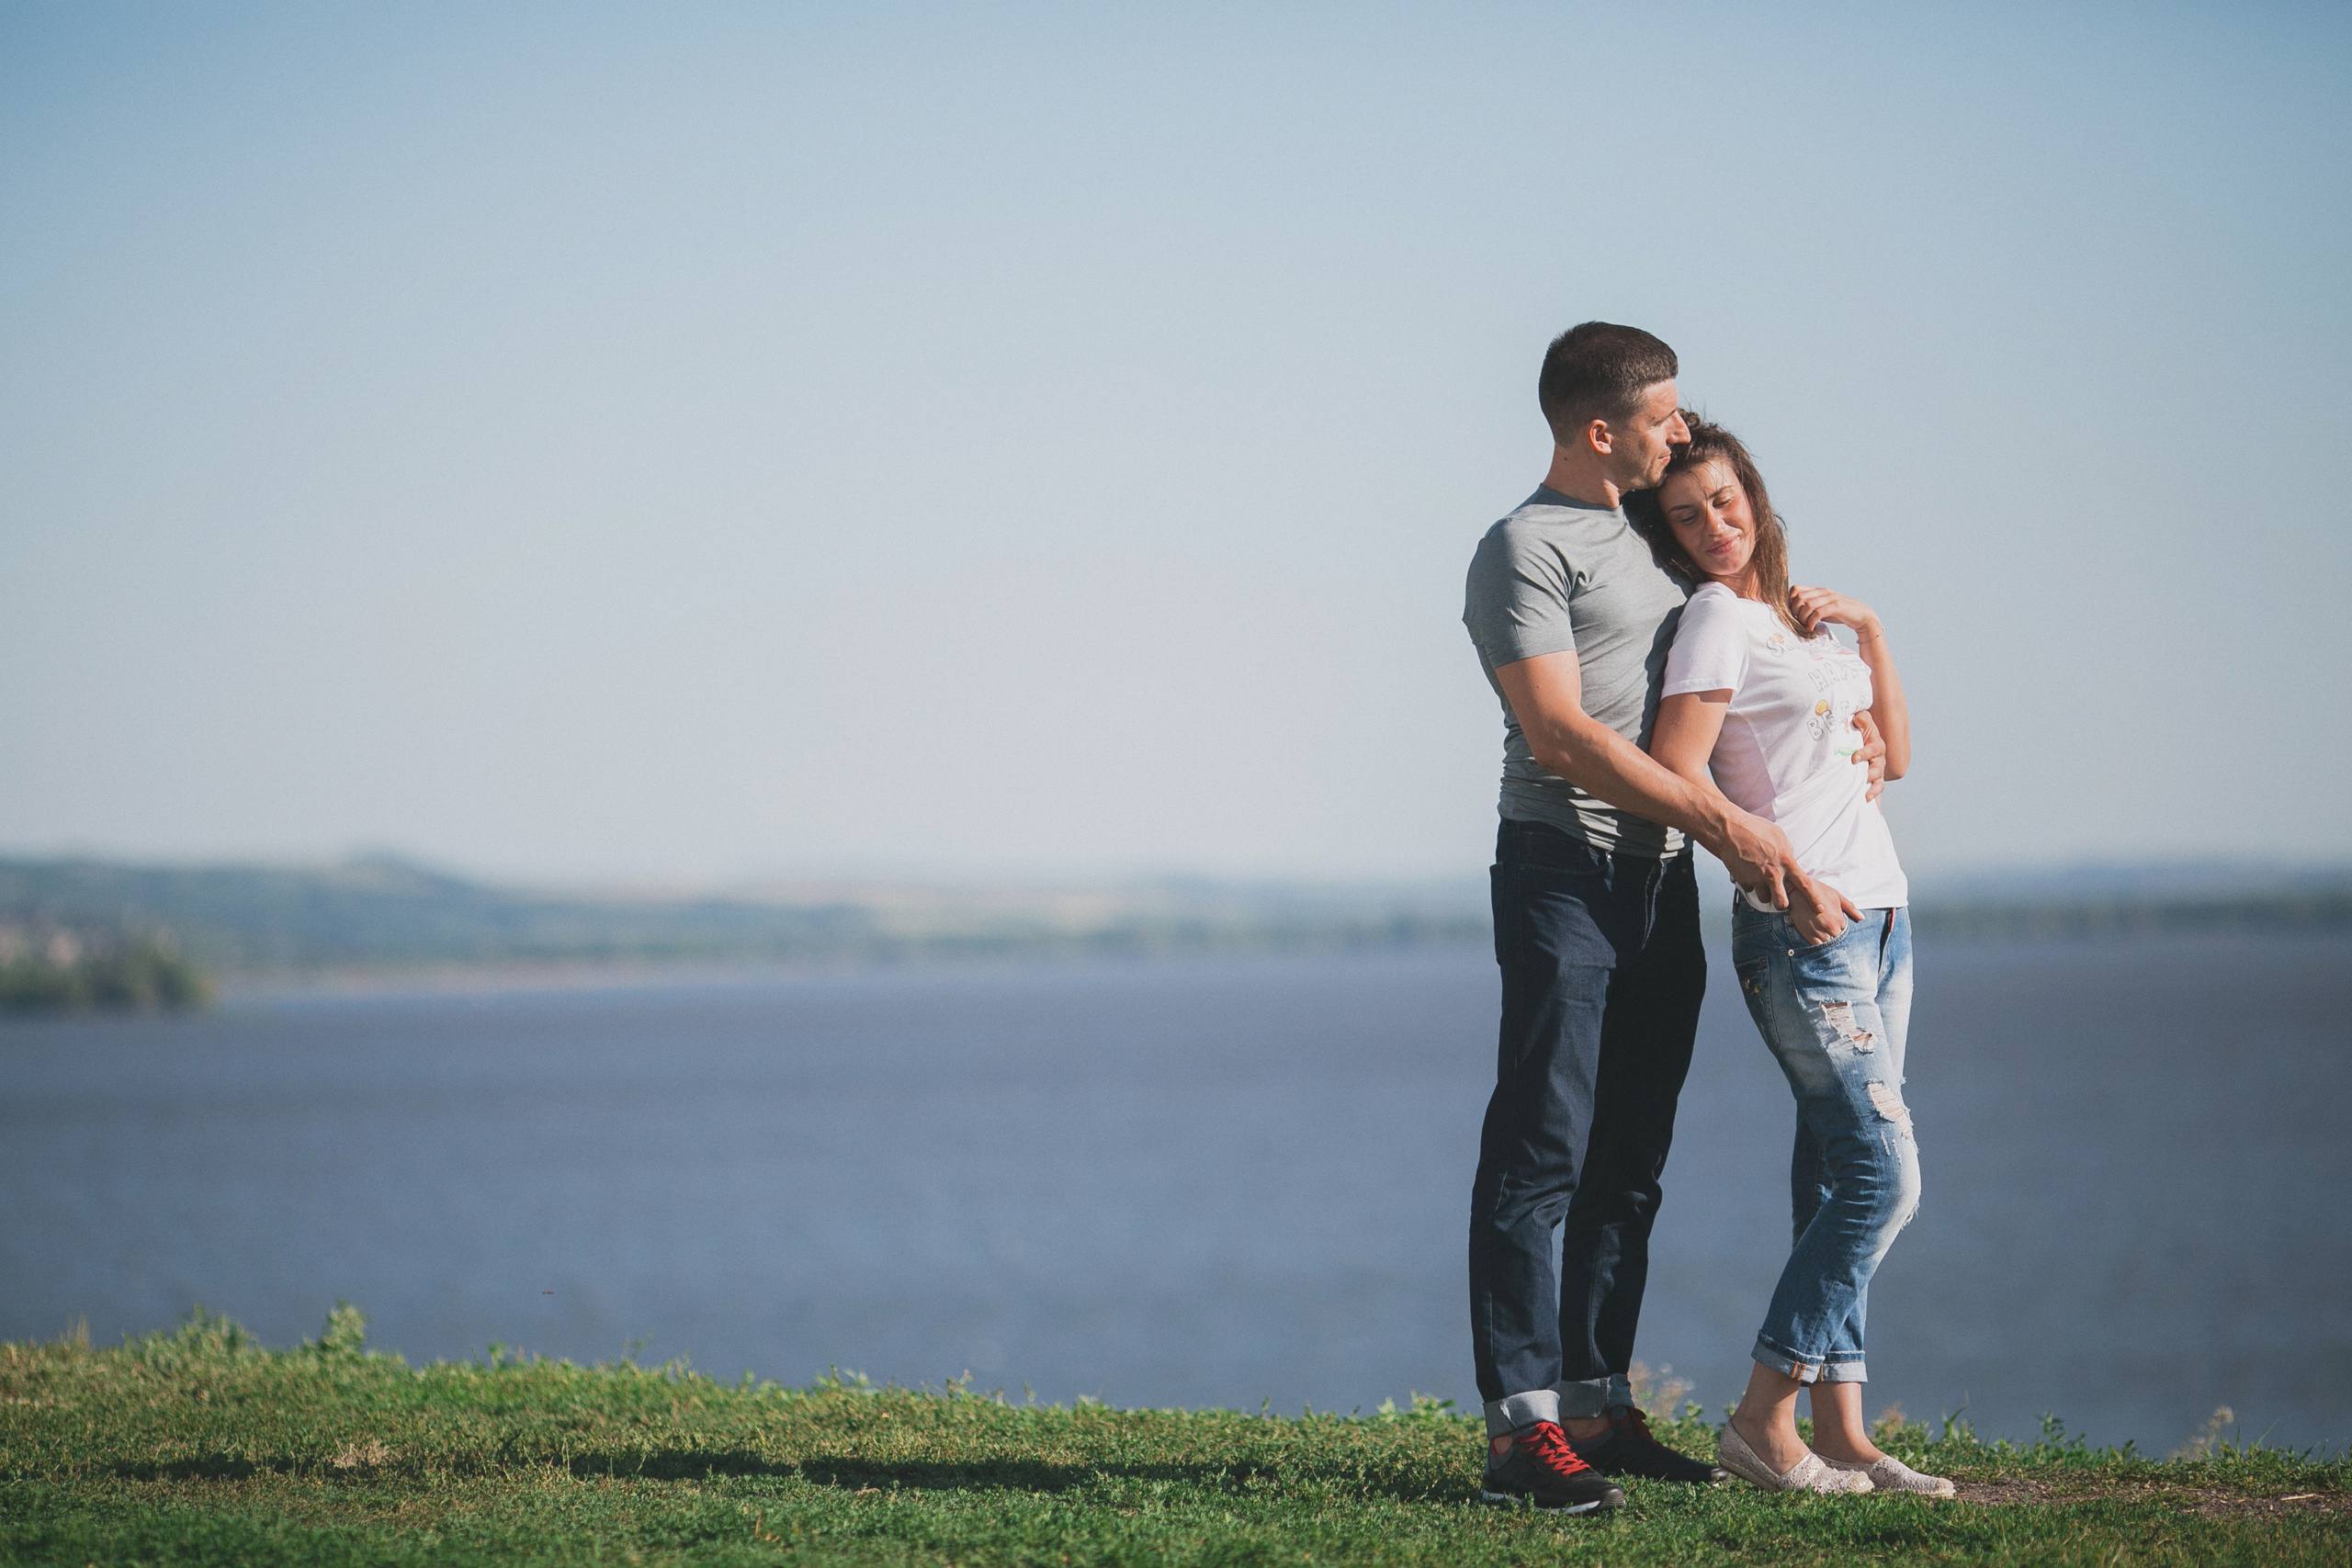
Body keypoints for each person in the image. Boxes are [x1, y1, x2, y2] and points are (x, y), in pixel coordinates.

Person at [1459, 324, 1882, 1514]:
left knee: (1631, 1156)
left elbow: (1739, 672)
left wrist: (1838, 712)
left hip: (1656, 880)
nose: (1684, 433)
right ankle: (1521, 1430)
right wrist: (1731, 830)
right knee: (1540, 1145)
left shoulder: (1660, 537)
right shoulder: (1521, 547)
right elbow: (1561, 733)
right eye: (1664, 418)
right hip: (1559, 869)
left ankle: (1597, 1401)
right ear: (1603, 430)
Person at [1633, 416, 1951, 1497]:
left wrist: (1868, 622)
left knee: (1831, 1170)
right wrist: (1776, 870)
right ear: (1670, 538)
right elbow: (1677, 771)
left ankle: (1843, 1434)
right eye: (1686, 517)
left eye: (1724, 501)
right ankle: (1763, 1423)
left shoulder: (1802, 624)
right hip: (1800, 922)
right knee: (1883, 1175)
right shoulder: (1716, 620)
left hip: (1883, 917)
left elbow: (1893, 758)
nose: (1713, 527)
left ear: (1754, 499)